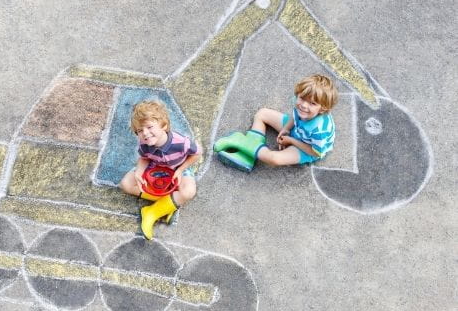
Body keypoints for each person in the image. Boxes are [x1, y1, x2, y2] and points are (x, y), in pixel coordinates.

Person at [213, 74, 338, 171]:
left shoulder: (319, 130)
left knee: (274, 159)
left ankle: (241, 141)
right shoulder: (300, 104)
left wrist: (291, 141)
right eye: (302, 98)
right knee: (262, 113)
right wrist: (286, 129)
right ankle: (249, 156)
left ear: (323, 109)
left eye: (312, 103)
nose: (304, 105)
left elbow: (315, 152)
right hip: (297, 130)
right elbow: (295, 116)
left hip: (308, 148)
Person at [119, 100, 201, 240]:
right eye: (140, 130)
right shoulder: (145, 144)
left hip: (177, 168)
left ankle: (151, 212)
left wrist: (181, 170)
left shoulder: (181, 142)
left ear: (164, 125)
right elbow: (144, 158)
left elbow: (197, 154)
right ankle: (168, 203)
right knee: (126, 184)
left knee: (189, 191)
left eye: (149, 127)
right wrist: (139, 172)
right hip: (154, 167)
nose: (145, 133)